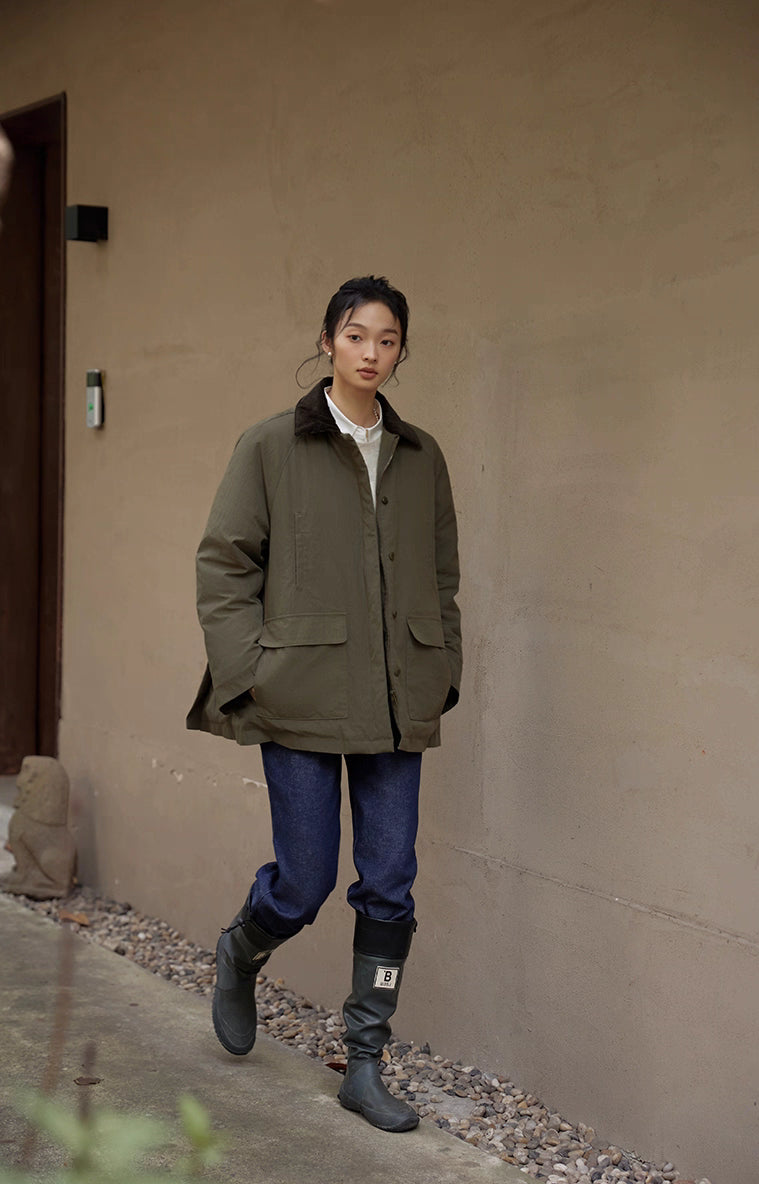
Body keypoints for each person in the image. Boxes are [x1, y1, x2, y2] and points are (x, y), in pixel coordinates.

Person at [187, 275, 461, 1133]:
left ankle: (366, 1063)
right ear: (328, 341)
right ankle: (244, 947)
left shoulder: (421, 455)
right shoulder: (271, 445)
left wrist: (441, 665)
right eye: (355, 336)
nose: (371, 353)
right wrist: (251, 672)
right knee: (303, 881)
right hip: (298, 694)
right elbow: (225, 566)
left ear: (401, 351)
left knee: (390, 884)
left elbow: (442, 574)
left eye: (387, 340)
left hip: (394, 701)